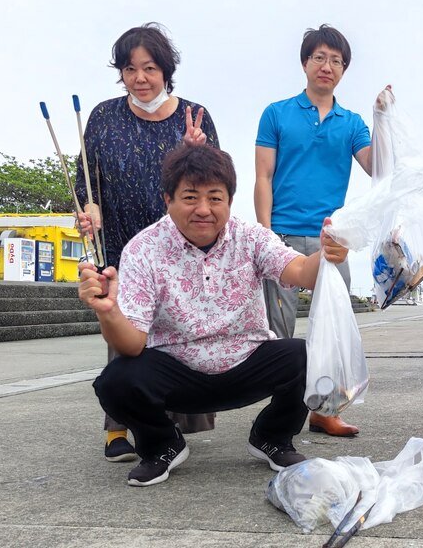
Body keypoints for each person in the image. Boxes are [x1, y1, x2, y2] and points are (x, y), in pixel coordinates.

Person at [81, 144, 349, 487]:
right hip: (178, 374)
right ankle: (162, 444)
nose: (203, 210)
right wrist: (109, 312)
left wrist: (326, 253)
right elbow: (132, 345)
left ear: (229, 201)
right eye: (190, 197)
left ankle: (272, 437)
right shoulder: (142, 249)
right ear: (168, 199)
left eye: (215, 198)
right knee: (115, 381)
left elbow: (300, 271)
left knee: (307, 355)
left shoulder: (250, 237)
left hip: (247, 363)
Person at [75, 22, 219, 463]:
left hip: (180, 249)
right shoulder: (102, 116)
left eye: (150, 68)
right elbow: (88, 182)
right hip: (121, 245)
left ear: (166, 71)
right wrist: (90, 210)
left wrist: (199, 151)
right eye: (130, 69)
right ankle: (116, 428)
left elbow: (215, 184)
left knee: (177, 335)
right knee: (123, 336)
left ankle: (166, 426)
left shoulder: (195, 116)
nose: (140, 78)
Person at [254, 24, 374, 438]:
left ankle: (325, 411)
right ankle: (279, 415)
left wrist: (386, 119)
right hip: (284, 235)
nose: (327, 66)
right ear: (305, 62)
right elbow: (263, 177)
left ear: (344, 70)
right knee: (278, 328)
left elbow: (379, 169)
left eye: (336, 61)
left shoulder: (352, 122)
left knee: (332, 329)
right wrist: (265, 234)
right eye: (319, 57)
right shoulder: (277, 113)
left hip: (331, 240)